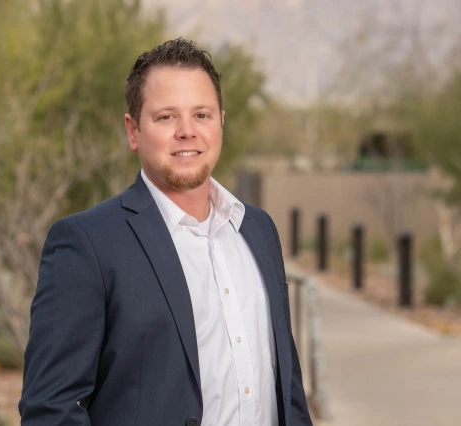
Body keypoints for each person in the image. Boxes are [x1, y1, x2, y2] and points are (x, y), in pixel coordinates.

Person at [19, 37, 313, 426]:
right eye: (166, 117)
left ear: (221, 122)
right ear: (133, 130)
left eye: (201, 115)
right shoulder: (87, 245)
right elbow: (50, 411)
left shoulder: (258, 231)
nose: (187, 131)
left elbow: (287, 391)